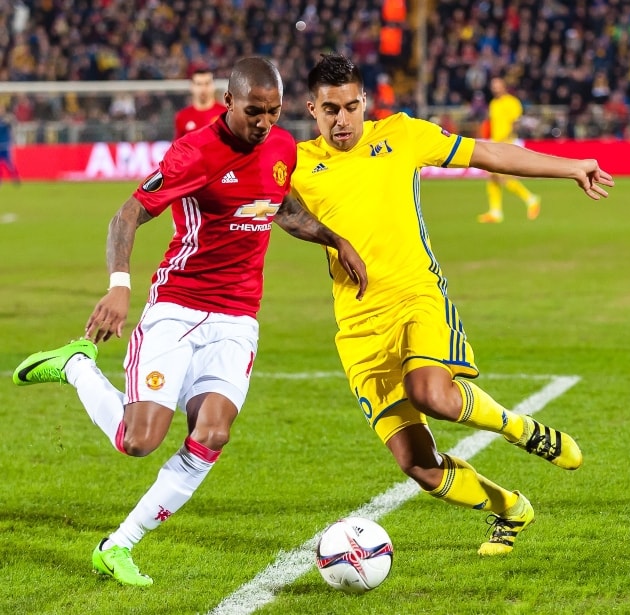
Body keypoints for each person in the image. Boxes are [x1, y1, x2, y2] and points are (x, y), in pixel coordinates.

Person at [12, 57, 367, 586]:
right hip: (178, 308)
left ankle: (118, 545)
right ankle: (77, 366)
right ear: (228, 102)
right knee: (139, 441)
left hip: (238, 318)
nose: (265, 123)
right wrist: (118, 286)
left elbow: (281, 206)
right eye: (254, 112)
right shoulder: (194, 153)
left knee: (214, 433)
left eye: (273, 112)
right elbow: (126, 214)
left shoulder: (281, 148)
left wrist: (335, 239)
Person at [291, 54, 614, 557]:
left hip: (416, 295)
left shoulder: (402, 134)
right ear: (312, 108)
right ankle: (510, 508)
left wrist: (570, 167)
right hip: (356, 327)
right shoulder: (296, 164)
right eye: (329, 109)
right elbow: (277, 211)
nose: (341, 120)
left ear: (365, 104)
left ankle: (521, 429)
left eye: (351, 107)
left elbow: (486, 153)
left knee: (433, 394)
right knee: (417, 464)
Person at [477, 77, 541, 223]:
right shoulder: (493, 104)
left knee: (501, 176)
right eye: (492, 85)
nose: (494, 88)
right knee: (493, 175)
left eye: (497, 85)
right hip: (495, 143)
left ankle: (530, 199)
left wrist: (505, 139)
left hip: (507, 143)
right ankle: (495, 212)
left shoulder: (512, 102)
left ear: (504, 86)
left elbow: (515, 123)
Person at [174, 68, 228, 139]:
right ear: (192, 87)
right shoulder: (182, 116)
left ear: (213, 86)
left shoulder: (225, 113)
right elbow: (178, 147)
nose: (203, 88)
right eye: (199, 84)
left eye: (207, 83)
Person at [0, 104, 21, 186]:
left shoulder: (7, 119)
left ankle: (16, 178)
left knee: (9, 163)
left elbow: (14, 124)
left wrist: (11, 120)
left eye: (1, 109)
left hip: (5, 144)